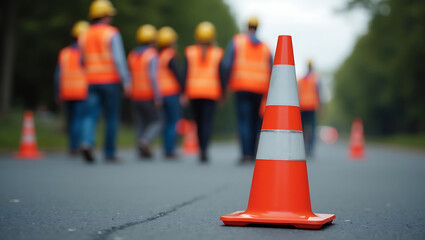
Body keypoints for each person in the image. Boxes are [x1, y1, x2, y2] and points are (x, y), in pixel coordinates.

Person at [78, 0, 131, 163]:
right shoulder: (112, 33)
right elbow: (119, 59)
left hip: (91, 80)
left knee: (90, 115)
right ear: (107, 16)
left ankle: (87, 142)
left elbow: (81, 61)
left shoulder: (84, 34)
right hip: (110, 81)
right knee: (111, 117)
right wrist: (126, 81)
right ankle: (109, 153)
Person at [223, 17, 272, 164]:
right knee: (256, 122)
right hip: (260, 89)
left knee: (244, 121)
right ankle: (253, 153)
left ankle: (245, 154)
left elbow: (227, 65)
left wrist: (225, 86)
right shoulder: (266, 47)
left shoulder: (237, 42)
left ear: (247, 26)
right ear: (257, 28)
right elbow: (272, 69)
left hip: (241, 86)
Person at [182, 21, 225, 163]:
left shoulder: (190, 51)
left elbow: (185, 73)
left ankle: (201, 149)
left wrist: (183, 92)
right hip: (211, 93)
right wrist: (223, 93)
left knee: (199, 123)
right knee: (207, 123)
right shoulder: (218, 53)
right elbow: (222, 75)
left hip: (194, 92)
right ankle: (204, 150)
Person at [54, 21, 90, 156]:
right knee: (78, 120)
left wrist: (58, 91)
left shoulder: (64, 53)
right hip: (81, 92)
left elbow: (58, 75)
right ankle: (76, 146)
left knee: (71, 120)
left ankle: (72, 145)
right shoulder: (86, 53)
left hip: (66, 92)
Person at [126, 24, 162, 159]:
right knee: (157, 122)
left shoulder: (133, 55)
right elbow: (153, 77)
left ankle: (141, 150)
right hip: (148, 95)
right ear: (153, 39)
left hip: (135, 95)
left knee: (139, 123)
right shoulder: (152, 55)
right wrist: (158, 96)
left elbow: (130, 74)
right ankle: (146, 140)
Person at [156, 26, 183, 158]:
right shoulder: (170, 56)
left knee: (166, 122)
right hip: (171, 93)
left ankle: (166, 149)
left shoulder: (158, 56)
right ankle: (170, 150)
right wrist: (183, 91)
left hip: (161, 94)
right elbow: (178, 75)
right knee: (173, 122)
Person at [297, 60, 321, 157]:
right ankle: (310, 148)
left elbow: (297, 92)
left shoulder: (301, 79)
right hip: (311, 106)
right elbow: (319, 92)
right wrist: (321, 106)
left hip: (302, 106)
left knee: (301, 127)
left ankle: (301, 146)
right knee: (312, 127)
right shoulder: (316, 79)